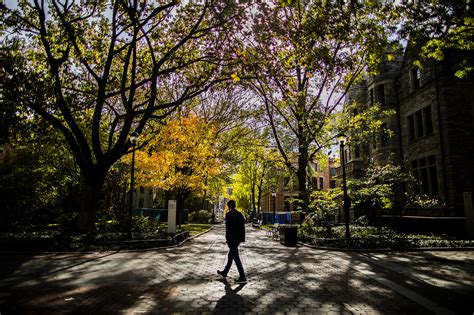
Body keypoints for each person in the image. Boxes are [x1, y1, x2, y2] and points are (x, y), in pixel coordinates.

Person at [217, 200, 247, 283]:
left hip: (232, 239)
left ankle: (242, 276)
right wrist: (242, 239)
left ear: (229, 206)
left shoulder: (229, 215)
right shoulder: (240, 214)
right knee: (230, 256)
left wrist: (227, 239)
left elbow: (228, 229)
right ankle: (225, 272)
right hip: (238, 239)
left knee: (236, 258)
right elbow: (242, 228)